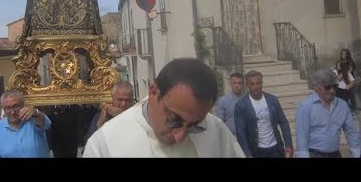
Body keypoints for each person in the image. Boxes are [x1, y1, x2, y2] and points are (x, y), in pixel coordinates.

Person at [83, 58, 244, 157]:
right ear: (153, 93)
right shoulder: (105, 144)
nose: (180, 137)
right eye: (174, 119)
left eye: (194, 126)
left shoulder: (216, 131)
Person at [295, 68, 360, 158]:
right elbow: (301, 137)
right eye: (327, 87)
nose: (332, 90)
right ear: (317, 87)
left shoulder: (342, 105)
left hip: (335, 154)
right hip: (314, 154)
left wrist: (357, 153)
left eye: (334, 86)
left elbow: (351, 132)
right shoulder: (305, 106)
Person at [234, 70, 293, 158]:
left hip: (275, 148)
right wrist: (248, 154)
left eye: (258, 83)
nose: (256, 87)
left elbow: (283, 122)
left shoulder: (272, 100)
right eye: (252, 84)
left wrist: (288, 144)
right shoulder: (241, 105)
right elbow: (240, 133)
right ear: (247, 85)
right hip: (257, 150)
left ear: (262, 83)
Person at [0, 90, 51, 158]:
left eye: (16, 106)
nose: (13, 112)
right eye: (8, 108)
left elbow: (47, 124)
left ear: (23, 105)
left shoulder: (34, 120)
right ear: (3, 109)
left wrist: (36, 112)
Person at [216, 72, 244, 138]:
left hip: (245, 137)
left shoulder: (247, 100)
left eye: (239, 83)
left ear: (243, 84)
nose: (237, 86)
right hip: (230, 137)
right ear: (230, 83)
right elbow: (219, 123)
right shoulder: (223, 101)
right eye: (234, 83)